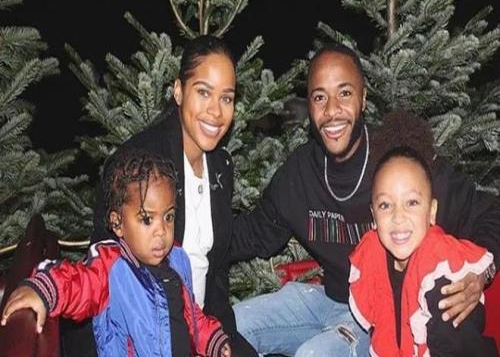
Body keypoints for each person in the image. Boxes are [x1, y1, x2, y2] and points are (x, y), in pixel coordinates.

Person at [231, 44, 500, 356]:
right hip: (325, 299)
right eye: (320, 97)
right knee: (233, 324)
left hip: (379, 316)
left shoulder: (399, 166)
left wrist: (481, 273)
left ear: (363, 98)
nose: (332, 110)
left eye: (344, 93)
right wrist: (191, 237)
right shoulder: (299, 173)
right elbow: (252, 234)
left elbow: (489, 214)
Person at [88, 35, 256, 356]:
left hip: (203, 327)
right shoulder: (138, 167)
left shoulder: (221, 165)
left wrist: (222, 336)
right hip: (147, 340)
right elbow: (105, 268)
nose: (216, 111)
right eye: (203, 92)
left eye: (226, 98)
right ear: (179, 91)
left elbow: (217, 269)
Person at [1, 149, 232, 357]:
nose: (161, 231)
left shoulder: (177, 260)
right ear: (118, 223)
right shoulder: (113, 268)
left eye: (168, 216)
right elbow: (78, 283)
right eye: (147, 219)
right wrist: (44, 290)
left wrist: (211, 340)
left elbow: (190, 315)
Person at [350, 145, 497, 356]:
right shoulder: (374, 260)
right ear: (373, 216)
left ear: (432, 211)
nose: (398, 217)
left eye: (412, 202)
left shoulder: (445, 285)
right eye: (385, 205)